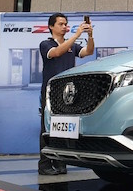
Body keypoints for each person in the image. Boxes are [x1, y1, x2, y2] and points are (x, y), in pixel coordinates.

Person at [38, 13, 94, 175]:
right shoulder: (45, 44)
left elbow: (88, 51)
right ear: (51, 26)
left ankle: (60, 162)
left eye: (65, 24)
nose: (64, 27)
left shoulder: (72, 45)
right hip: (51, 93)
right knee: (47, 128)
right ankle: (44, 165)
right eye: (61, 24)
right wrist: (76, 35)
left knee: (64, 128)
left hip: (68, 93)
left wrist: (90, 36)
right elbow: (56, 53)